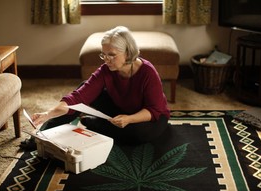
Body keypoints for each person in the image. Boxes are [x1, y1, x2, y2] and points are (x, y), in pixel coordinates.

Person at [21, 26, 170, 149]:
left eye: (111, 55)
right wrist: (48, 113)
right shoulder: (106, 69)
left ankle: (96, 124)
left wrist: (130, 119)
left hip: (150, 116)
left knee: (138, 134)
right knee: (82, 91)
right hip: (120, 108)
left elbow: (154, 110)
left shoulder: (147, 72)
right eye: (103, 55)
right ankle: (41, 136)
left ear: (128, 53)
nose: (106, 60)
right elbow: (78, 97)